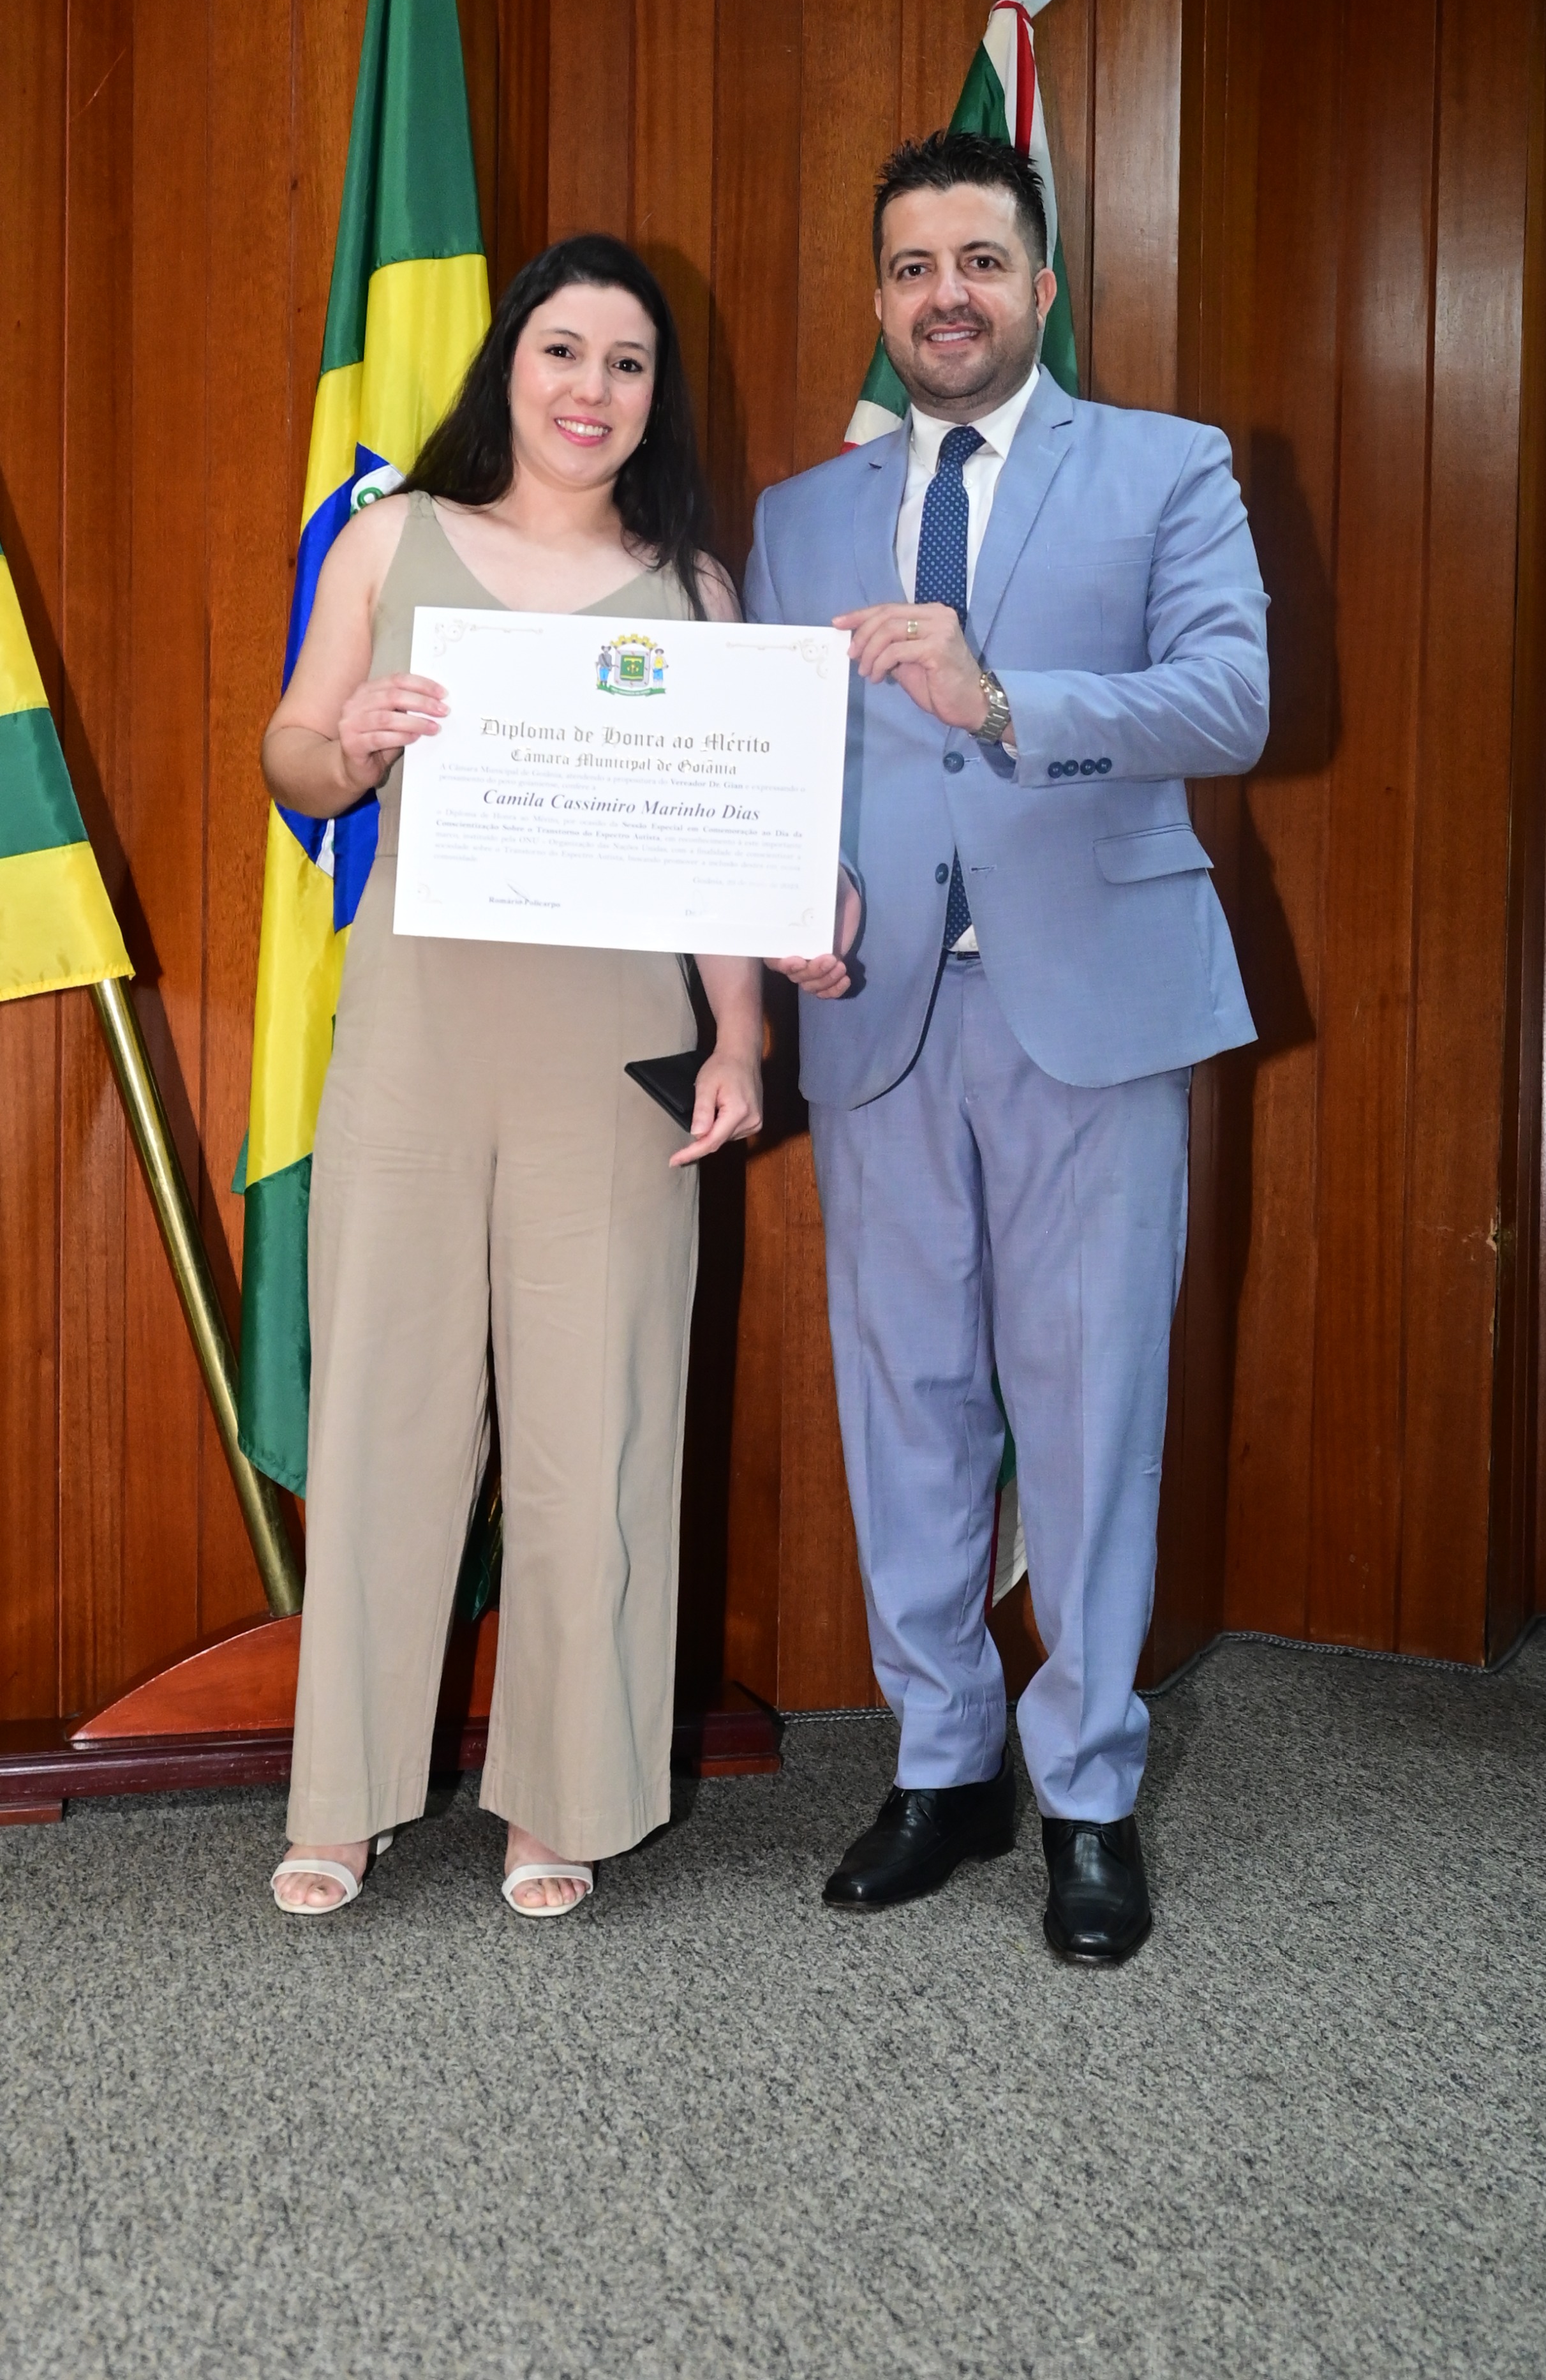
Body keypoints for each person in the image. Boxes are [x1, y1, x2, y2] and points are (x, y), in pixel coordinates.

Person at [753, 131, 1268, 1965]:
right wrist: (787, 889)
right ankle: (944, 1764)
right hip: (875, 1014)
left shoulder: (1169, 466)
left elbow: (1231, 698)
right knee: (905, 1403)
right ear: (882, 299)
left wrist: (1001, 697)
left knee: (1090, 1408)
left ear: (1042, 284)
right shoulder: (800, 514)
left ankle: (1092, 1793)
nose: (945, 295)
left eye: (980, 260)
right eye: (912, 268)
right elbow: (778, 757)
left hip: (1097, 1011)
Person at [262, 236, 761, 1920]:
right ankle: (341, 1798)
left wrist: (740, 1040)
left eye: (627, 362)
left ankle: (567, 1797)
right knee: (386, 1416)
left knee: (593, 1429)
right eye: (563, 350)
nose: (590, 389)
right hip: (413, 1037)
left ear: (655, 396)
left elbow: (723, 853)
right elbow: (290, 749)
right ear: (510, 365)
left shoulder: (695, 593)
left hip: (611, 1055)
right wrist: (352, 744)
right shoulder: (393, 537)